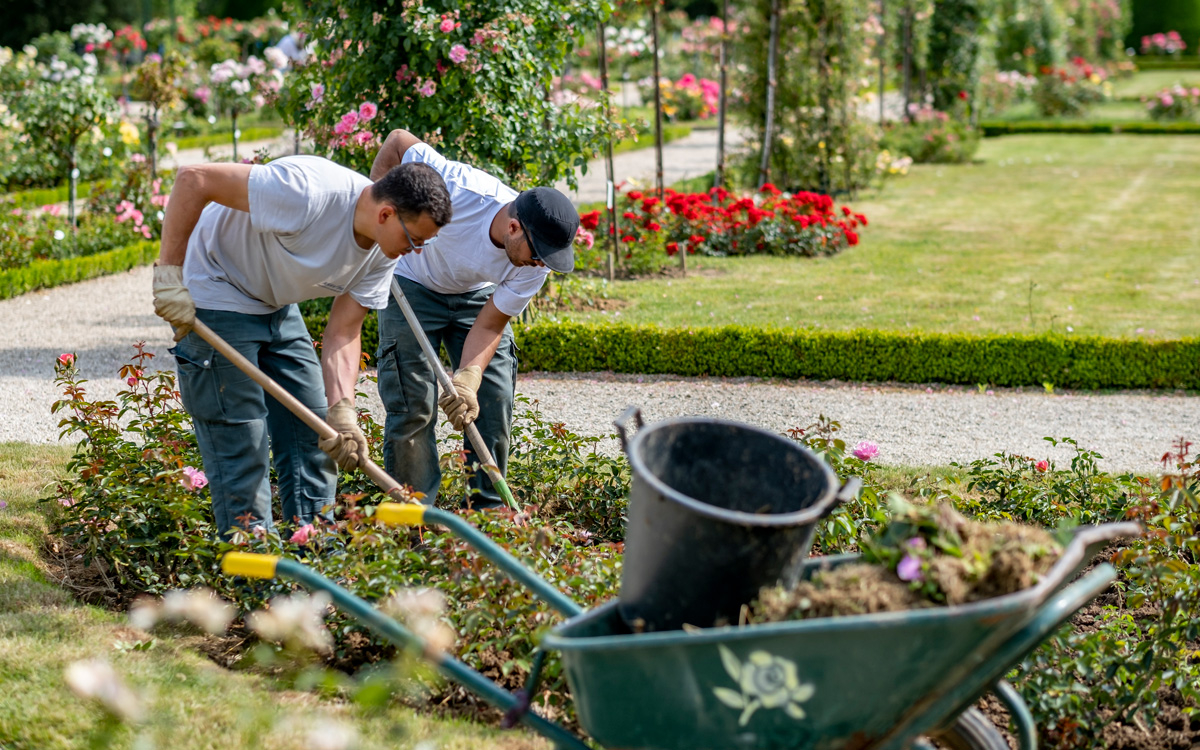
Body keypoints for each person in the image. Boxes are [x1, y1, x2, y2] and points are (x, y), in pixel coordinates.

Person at [151, 154, 452, 537]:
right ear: (386, 214)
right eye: (414, 240)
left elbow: (343, 331)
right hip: (217, 286)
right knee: (243, 443)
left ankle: (312, 551)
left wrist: (343, 412)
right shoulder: (308, 192)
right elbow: (194, 177)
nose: (416, 251)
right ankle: (257, 575)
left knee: (318, 431)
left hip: (273, 301)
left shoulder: (384, 249)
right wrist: (168, 274)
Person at [368, 129, 580, 508]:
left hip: (475, 294)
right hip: (413, 280)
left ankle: (488, 513)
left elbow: (490, 323)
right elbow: (399, 141)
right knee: (413, 401)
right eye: (537, 255)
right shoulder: (457, 188)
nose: (539, 264)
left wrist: (468, 376)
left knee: (493, 393)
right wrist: (375, 214)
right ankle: (414, 514)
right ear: (514, 227)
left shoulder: (535, 261)